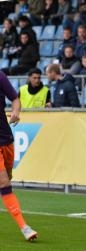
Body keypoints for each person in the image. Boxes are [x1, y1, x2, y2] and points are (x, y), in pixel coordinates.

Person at [0, 70, 38, 241]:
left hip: (5, 137)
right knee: (4, 182)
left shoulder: (0, 76)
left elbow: (15, 99)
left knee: (8, 177)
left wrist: (16, 112)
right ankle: (25, 227)